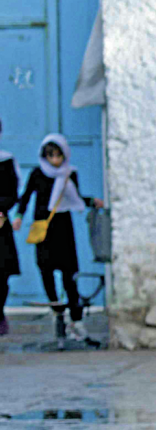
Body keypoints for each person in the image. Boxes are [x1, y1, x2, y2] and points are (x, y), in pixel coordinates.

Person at [13, 133, 105, 337]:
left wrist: (92, 202)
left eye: (58, 155)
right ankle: (57, 311)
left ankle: (75, 317)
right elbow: (26, 196)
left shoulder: (69, 174)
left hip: (63, 227)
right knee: (45, 268)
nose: (55, 160)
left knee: (69, 272)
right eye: (50, 156)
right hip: (43, 228)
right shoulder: (38, 174)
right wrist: (19, 216)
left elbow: (76, 198)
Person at [0, 122, 18, 337]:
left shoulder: (5, 160)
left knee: (1, 273)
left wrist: (2, 210)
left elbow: (12, 192)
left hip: (0, 222)